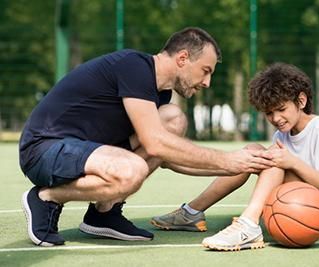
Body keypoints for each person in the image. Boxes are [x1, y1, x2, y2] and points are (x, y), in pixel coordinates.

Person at [19, 27, 275, 247]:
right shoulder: (135, 67)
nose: (207, 82)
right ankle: (46, 198)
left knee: (173, 119)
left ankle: (103, 213)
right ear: (183, 58)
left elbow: (167, 156)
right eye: (205, 70)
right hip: (44, 149)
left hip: (84, 149)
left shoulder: (159, 94)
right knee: (132, 170)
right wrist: (228, 160)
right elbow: (155, 143)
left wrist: (241, 166)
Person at [152, 62, 319, 251]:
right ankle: (191, 212)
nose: (276, 118)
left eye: (281, 109)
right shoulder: (282, 134)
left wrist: (292, 162)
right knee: (253, 152)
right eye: (269, 113)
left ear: (301, 101)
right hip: (301, 200)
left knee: (272, 161)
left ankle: (249, 225)